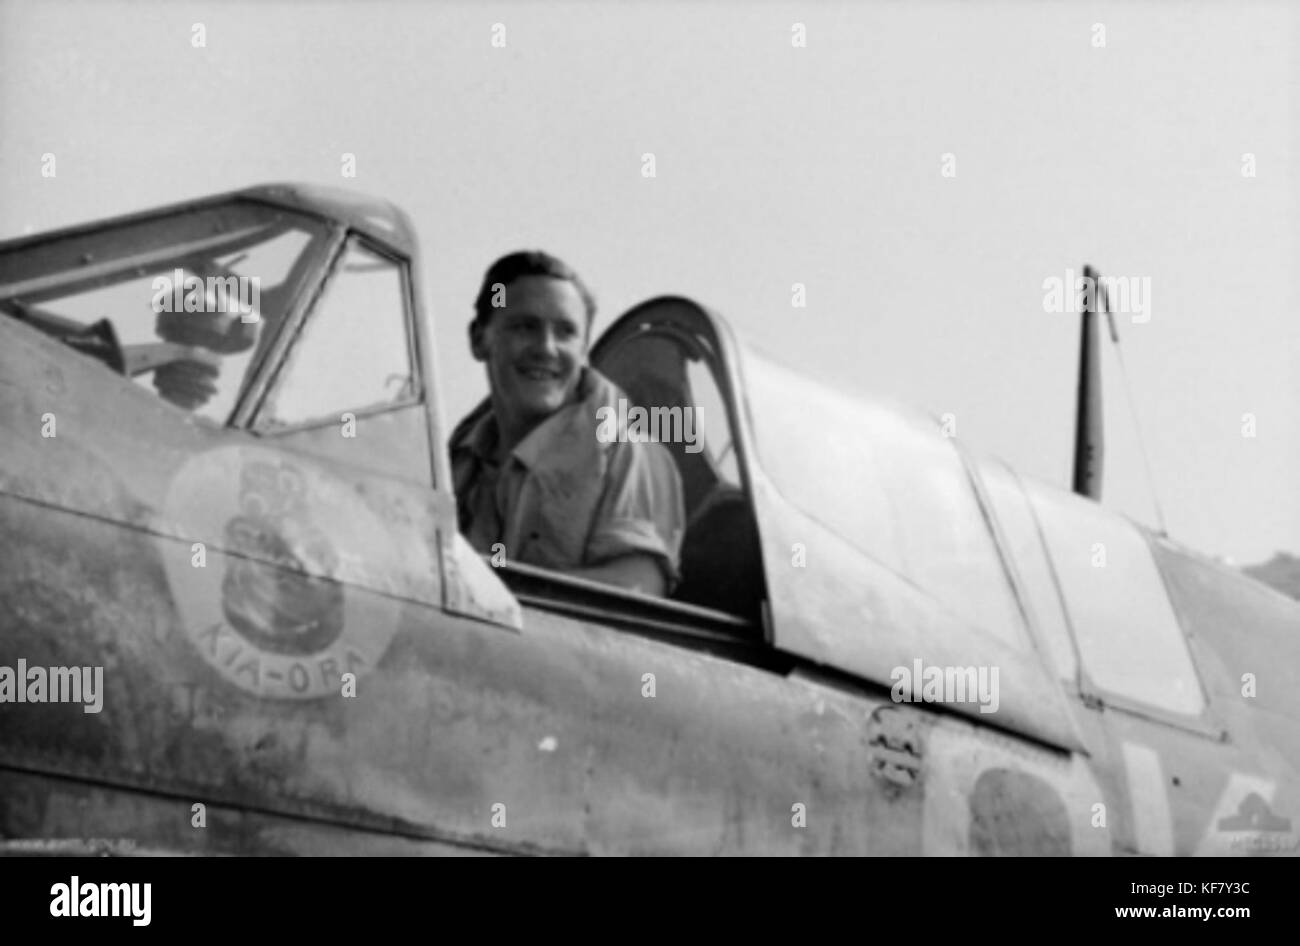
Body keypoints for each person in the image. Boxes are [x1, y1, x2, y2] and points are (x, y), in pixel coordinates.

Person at [449, 251, 685, 596]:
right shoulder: (455, 460)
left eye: (565, 332)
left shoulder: (627, 455)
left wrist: (495, 597)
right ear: (479, 339)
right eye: (525, 327)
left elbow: (637, 587)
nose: (546, 348)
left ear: (583, 348)